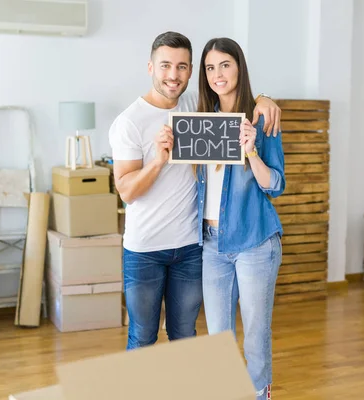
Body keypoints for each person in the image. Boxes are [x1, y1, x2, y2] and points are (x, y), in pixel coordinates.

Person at [108, 31, 281, 350]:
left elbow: (234, 96)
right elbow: (126, 191)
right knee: (143, 336)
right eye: (165, 66)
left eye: (182, 66)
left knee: (185, 337)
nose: (173, 75)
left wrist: (264, 99)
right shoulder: (129, 122)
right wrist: (158, 162)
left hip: (190, 246)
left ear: (191, 71)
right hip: (145, 248)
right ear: (150, 67)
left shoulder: (195, 106)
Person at [195, 37, 285, 400]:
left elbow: (275, 185)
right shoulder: (199, 121)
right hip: (212, 244)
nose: (218, 74)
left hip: (255, 243)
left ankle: (259, 396)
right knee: (218, 335)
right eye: (210, 67)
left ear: (239, 67)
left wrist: (252, 153)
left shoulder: (261, 118)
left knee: (255, 333)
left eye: (225, 65)